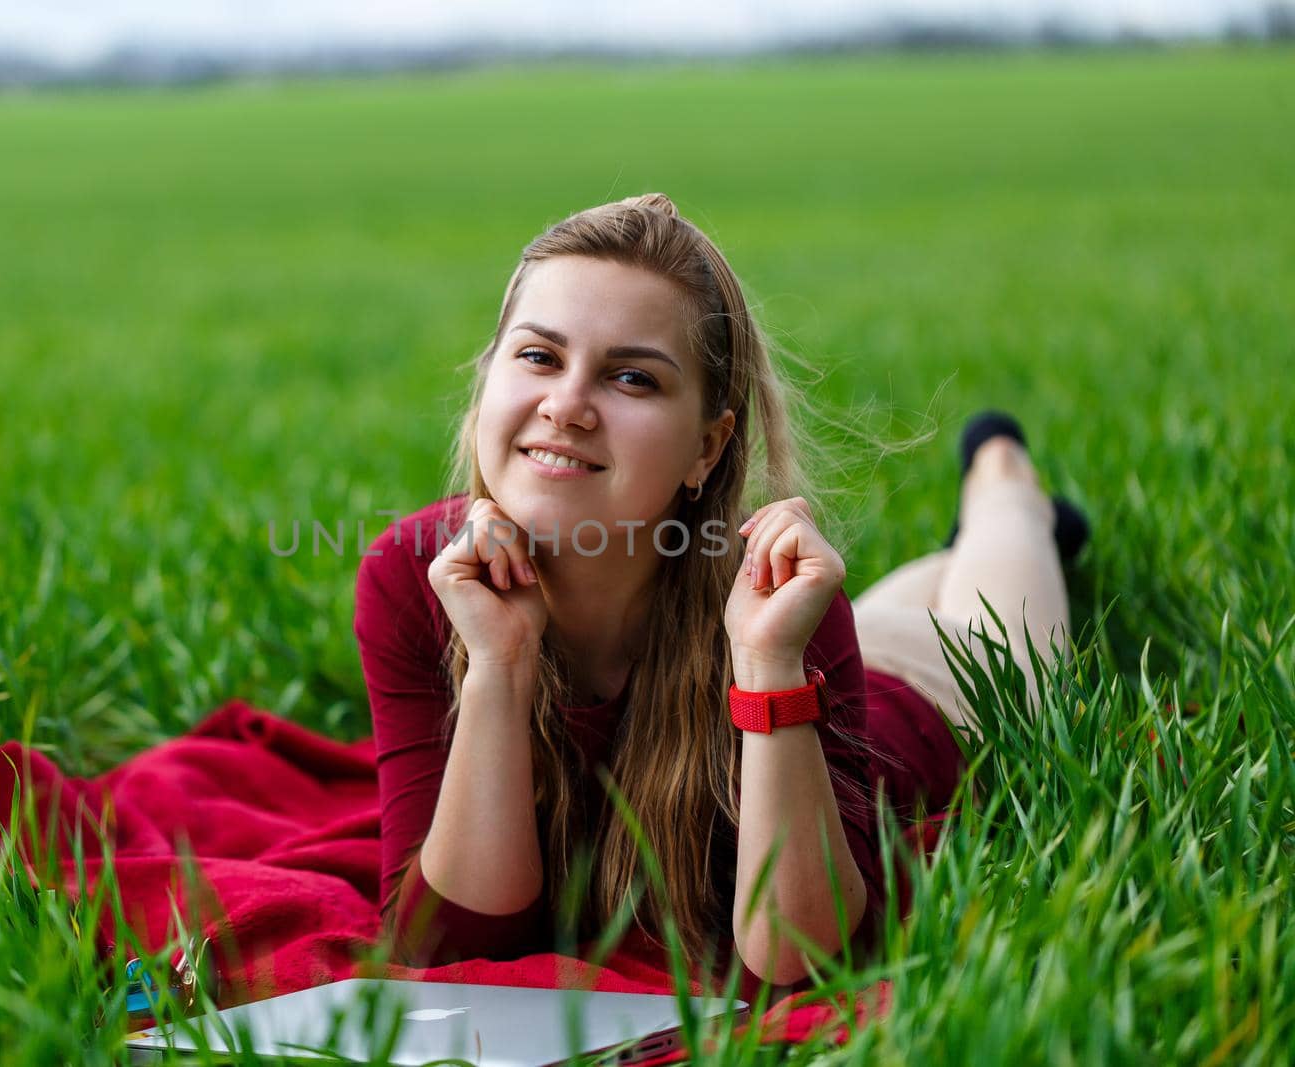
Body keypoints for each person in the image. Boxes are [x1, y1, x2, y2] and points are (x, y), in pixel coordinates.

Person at [352, 194, 1087, 1000]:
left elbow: (800, 959)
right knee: (919, 594)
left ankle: (1003, 474)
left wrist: (770, 661)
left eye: (631, 376)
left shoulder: (770, 605)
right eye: (538, 356)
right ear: (488, 379)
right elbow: (444, 949)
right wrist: (500, 664)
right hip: (853, 646)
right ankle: (962, 541)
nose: (566, 405)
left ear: (706, 445)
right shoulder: (415, 574)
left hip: (923, 698)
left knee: (1008, 603)